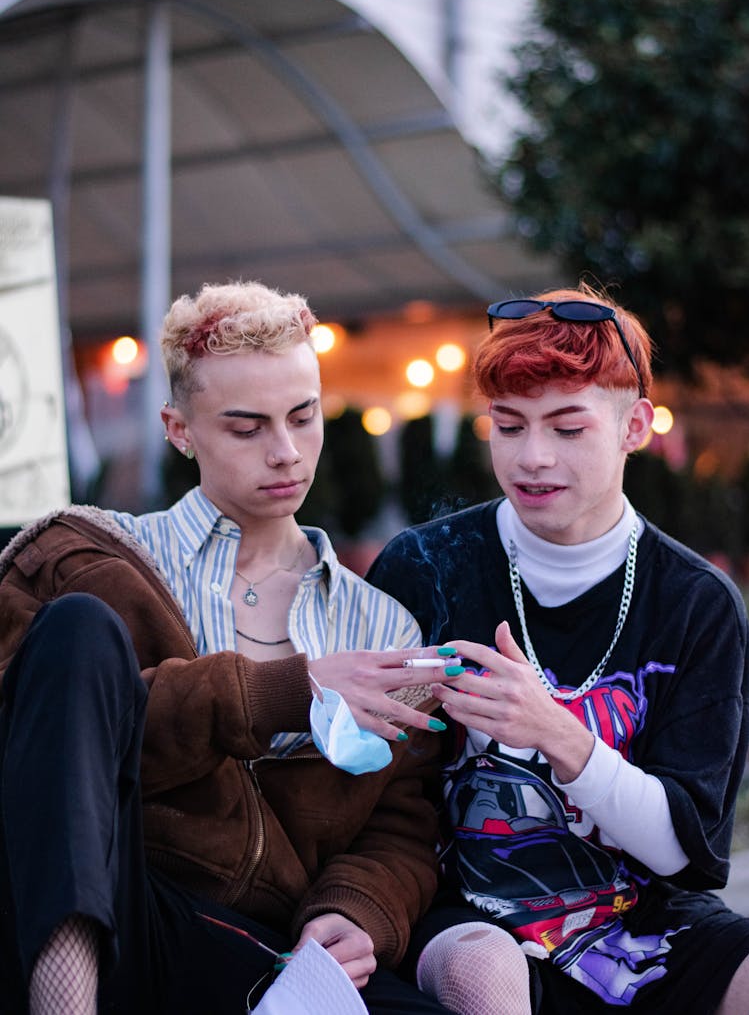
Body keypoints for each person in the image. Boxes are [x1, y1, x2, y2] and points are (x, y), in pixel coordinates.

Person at [0, 279, 458, 1015]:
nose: (286, 452)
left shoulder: (381, 627)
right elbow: (34, 745)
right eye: (246, 428)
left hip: (256, 945)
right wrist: (289, 689)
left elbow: (403, 827)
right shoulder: (93, 558)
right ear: (179, 429)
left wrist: (358, 908)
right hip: (117, 896)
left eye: (304, 417)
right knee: (81, 628)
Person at [367, 285, 749, 1014]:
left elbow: (682, 851)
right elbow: (379, 795)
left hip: (640, 915)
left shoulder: (696, 601)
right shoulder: (427, 567)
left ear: (634, 425)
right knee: (488, 976)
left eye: (568, 428)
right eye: (508, 426)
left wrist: (558, 736)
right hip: (467, 909)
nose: (532, 457)